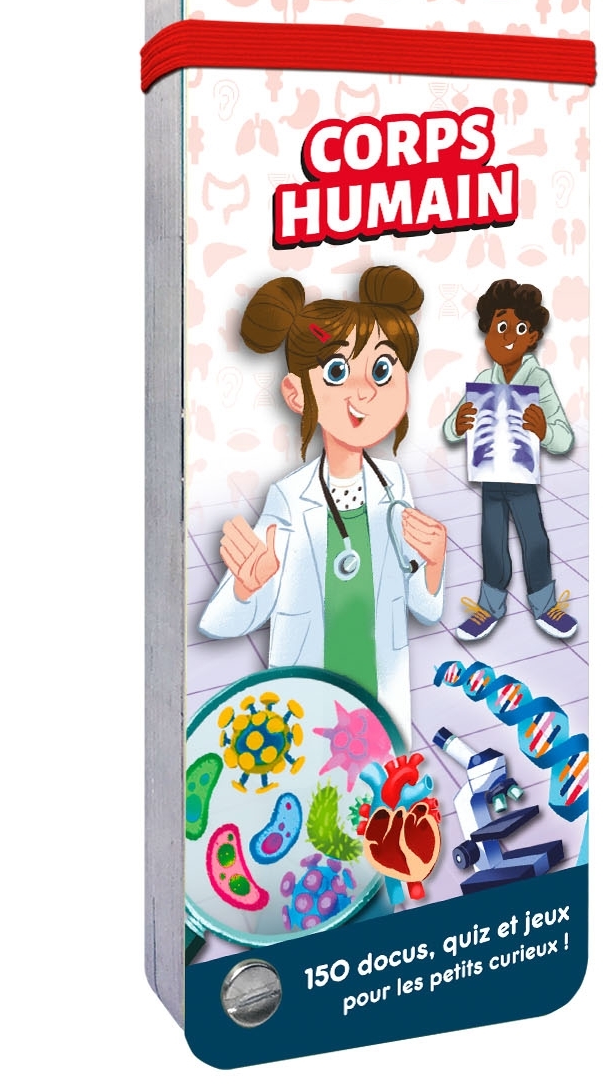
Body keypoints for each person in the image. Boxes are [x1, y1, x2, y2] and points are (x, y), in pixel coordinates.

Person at [199, 266, 448, 744]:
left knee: (386, 783)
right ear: (297, 393)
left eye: (382, 370)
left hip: (381, 692)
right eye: (337, 372)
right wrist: (248, 587)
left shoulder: (394, 483)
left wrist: (432, 565)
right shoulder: (290, 500)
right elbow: (221, 623)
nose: (364, 391)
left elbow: (424, 609)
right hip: (311, 701)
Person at [443, 278, 578, 642]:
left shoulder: (538, 381)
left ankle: (544, 606)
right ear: (487, 331)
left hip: (521, 479)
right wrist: (457, 424)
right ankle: (490, 607)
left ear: (532, 337)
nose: (508, 338)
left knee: (534, 541)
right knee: (492, 542)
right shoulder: (482, 380)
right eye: (500, 328)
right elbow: (449, 430)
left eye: (519, 330)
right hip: (490, 478)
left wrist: (544, 430)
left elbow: (564, 439)